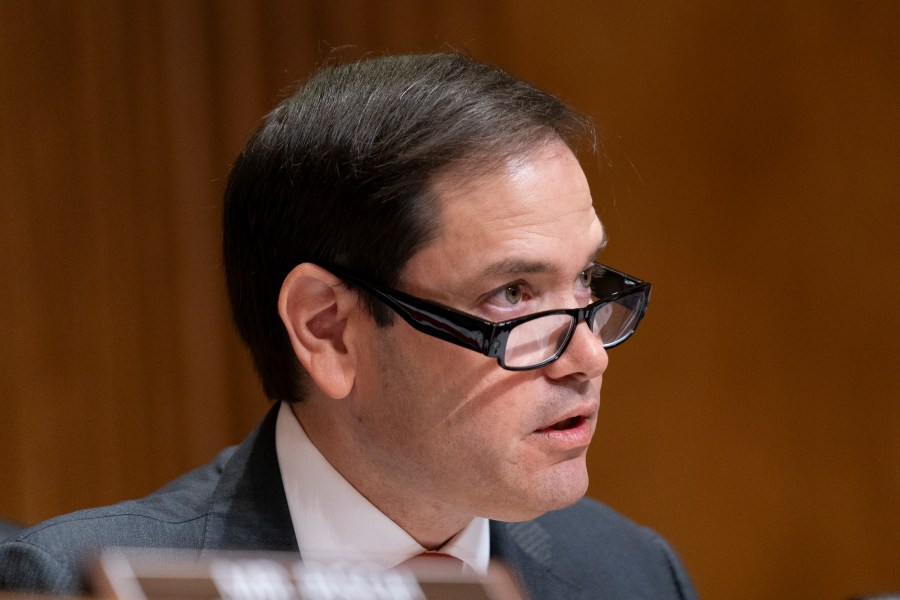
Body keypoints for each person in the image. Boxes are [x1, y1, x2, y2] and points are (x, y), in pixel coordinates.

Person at [0, 53, 697, 599]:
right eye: (513, 294)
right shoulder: (81, 583)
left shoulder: (631, 573)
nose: (586, 356)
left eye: (584, 279)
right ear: (329, 329)